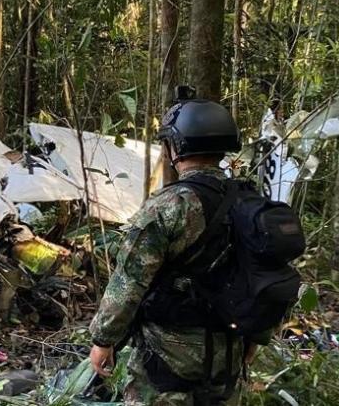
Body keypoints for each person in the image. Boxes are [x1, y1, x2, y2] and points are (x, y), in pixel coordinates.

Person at [87, 97, 270, 405]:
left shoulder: (170, 205)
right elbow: (268, 272)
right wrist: (257, 337)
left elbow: (128, 282)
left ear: (176, 147)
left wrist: (103, 340)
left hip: (166, 357)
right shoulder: (250, 203)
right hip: (229, 354)